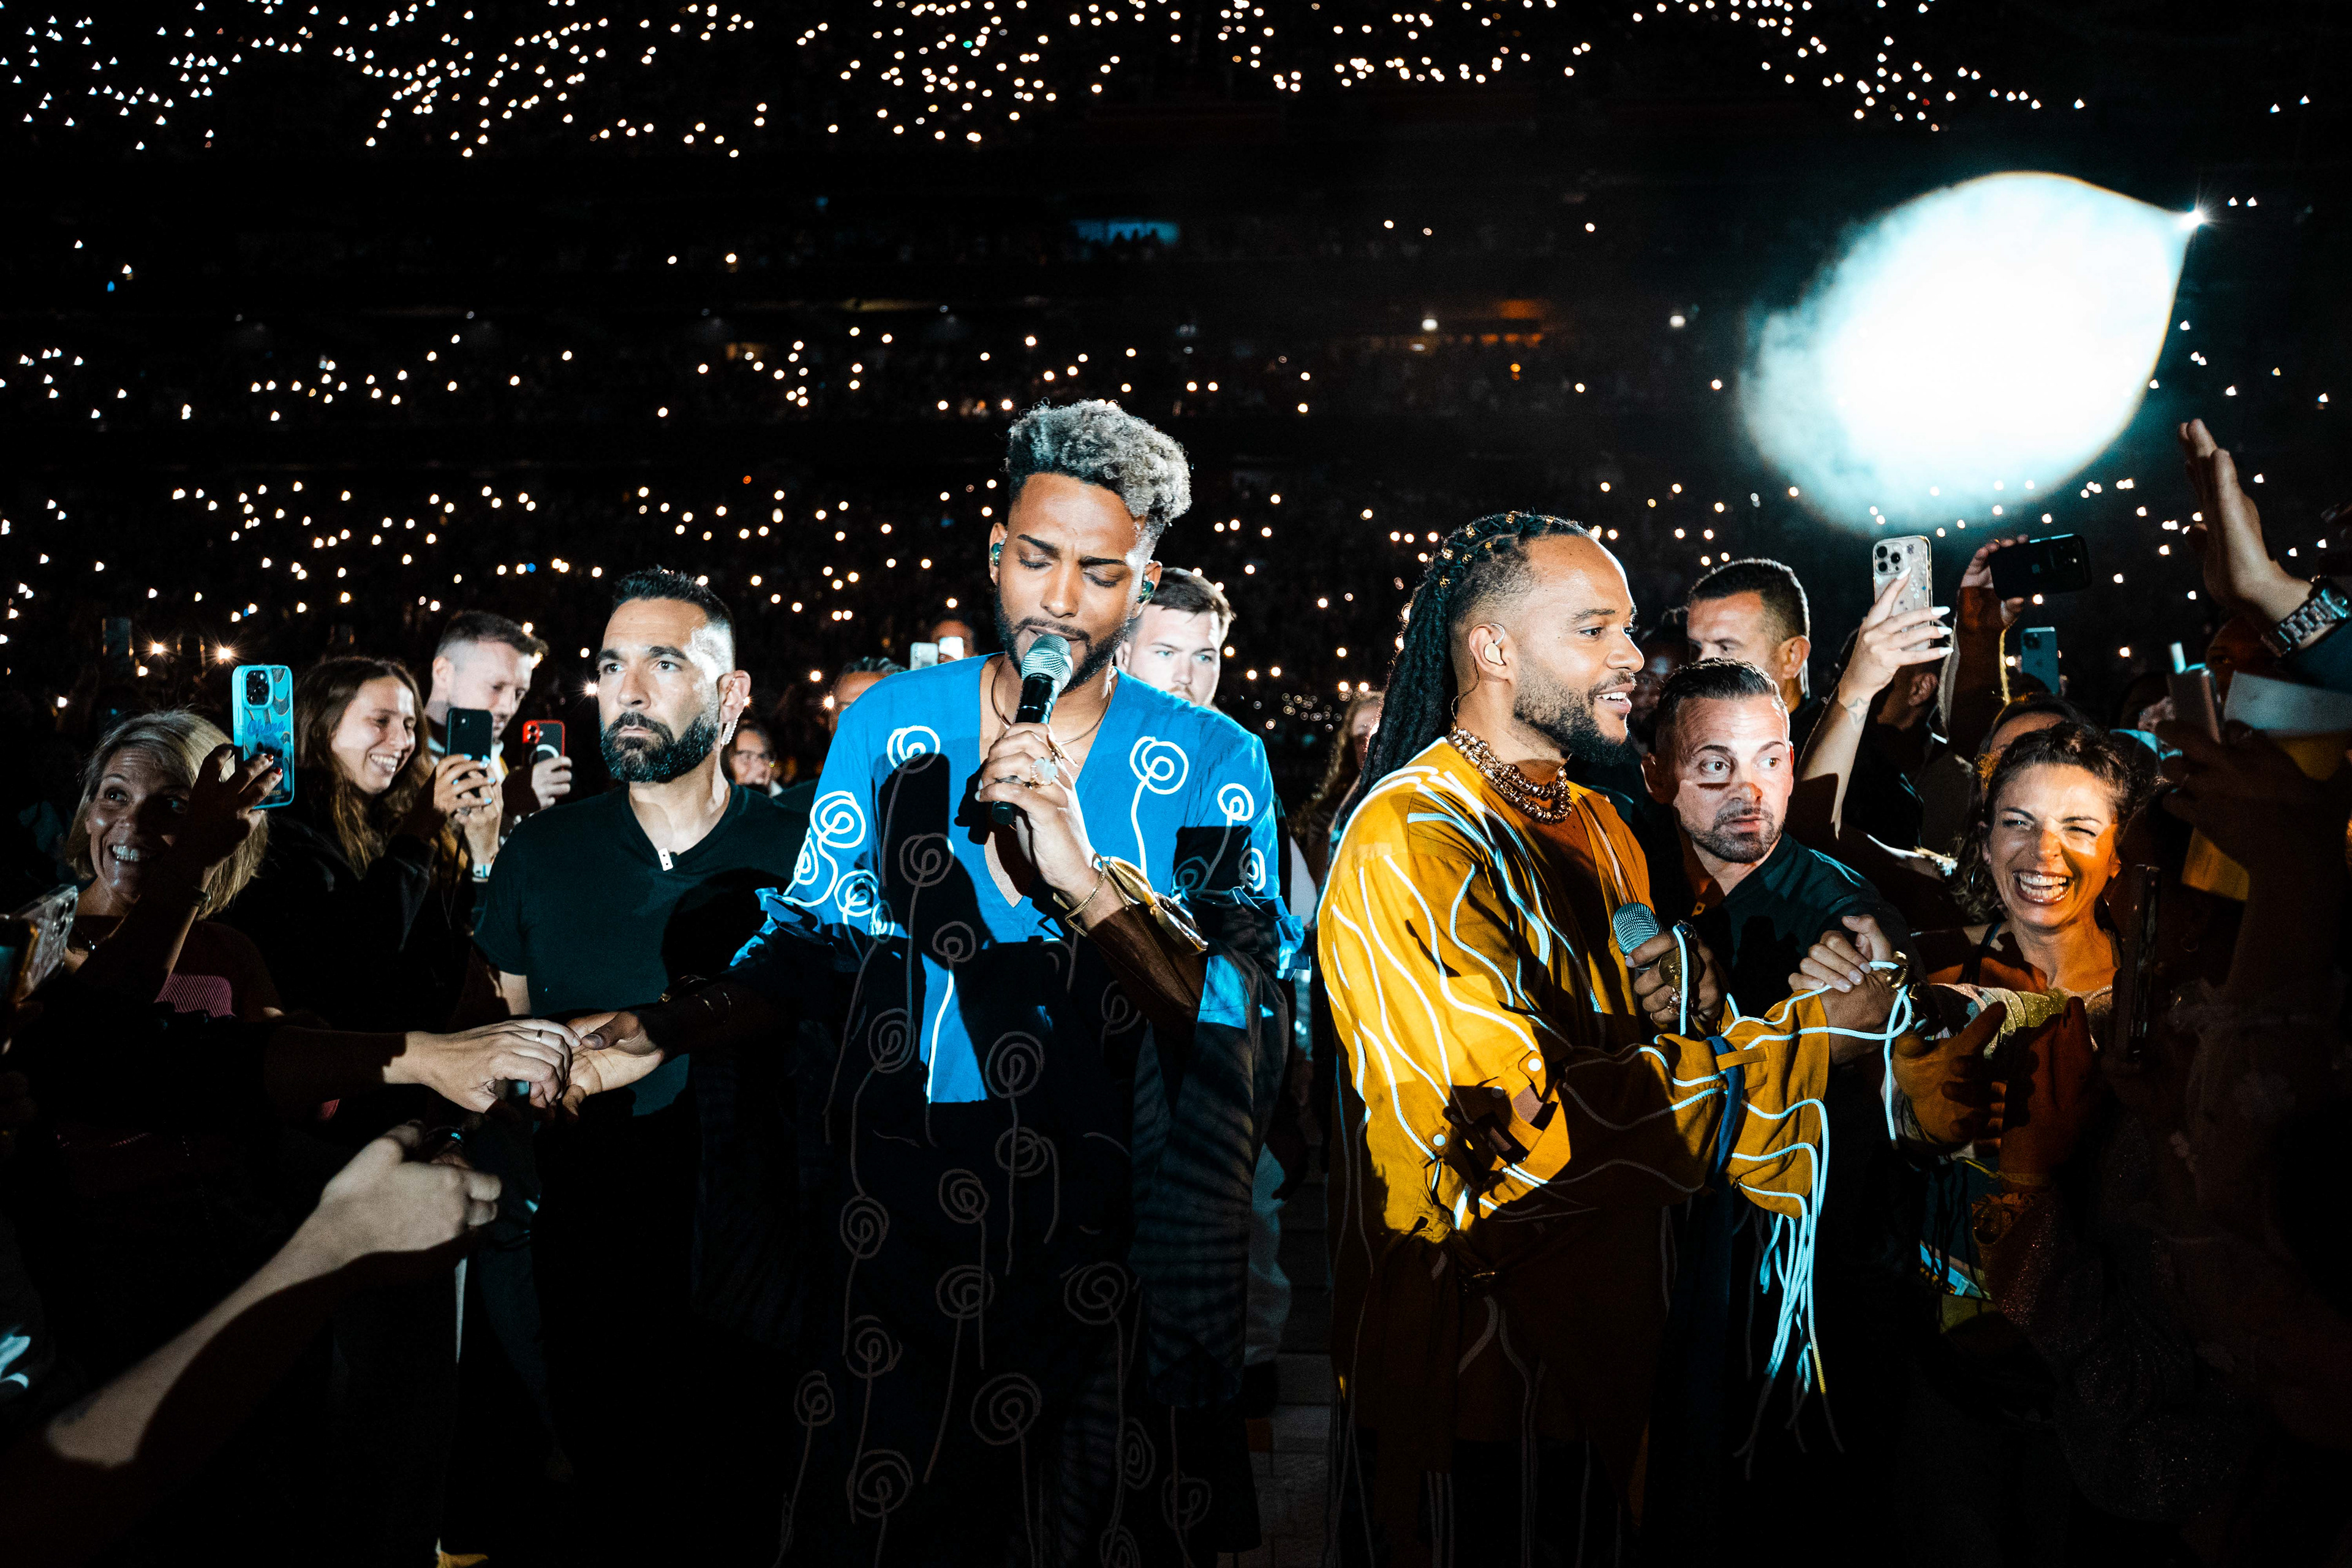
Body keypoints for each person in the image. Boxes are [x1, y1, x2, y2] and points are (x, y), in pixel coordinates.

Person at [564, 400, 1298, 1562]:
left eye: (1101, 572)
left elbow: (1240, 1012)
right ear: (995, 551)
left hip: (1107, 1229)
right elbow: (813, 939)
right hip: (898, 1221)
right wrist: (668, 1024)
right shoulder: (892, 727)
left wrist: (1086, 880)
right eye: (1038, 558)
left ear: (1146, 582)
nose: (1059, 599)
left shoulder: (1217, 761)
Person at [1319, 511, 1924, 1562]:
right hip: (1477, 1382)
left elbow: (1656, 1033)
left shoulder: (1598, 825)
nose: (1636, 657)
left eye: (1632, 628)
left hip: (1616, 1379)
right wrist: (1796, 1049)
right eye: (1596, 629)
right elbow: (1518, 1131)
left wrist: (1698, 990)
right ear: (1495, 648)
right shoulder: (1407, 837)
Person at [471, 567, 805, 1561]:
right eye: (613, 666)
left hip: (758, 1274)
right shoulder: (543, 854)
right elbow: (502, 1046)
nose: (629, 688)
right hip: (589, 1265)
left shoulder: (803, 854)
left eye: (665, 663)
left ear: (733, 693)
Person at [1629, 659, 1916, 1556]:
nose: (1749, 790)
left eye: (1770, 761)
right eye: (1715, 766)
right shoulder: (1630, 879)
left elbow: (1868, 1105)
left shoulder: (1838, 913)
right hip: (1650, 1266)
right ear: (1659, 774)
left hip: (1788, 1286)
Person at [221, 656, 500, 1036]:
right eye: (380, 721)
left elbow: (445, 945)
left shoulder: (395, 817)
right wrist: (418, 832)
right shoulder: (283, 833)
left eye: (409, 725)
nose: (402, 742)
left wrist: (483, 853)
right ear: (323, 725)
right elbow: (359, 958)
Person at [422, 608, 570, 821]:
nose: (508, 708)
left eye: (520, 694)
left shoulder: (496, 762)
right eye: (496, 687)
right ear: (444, 674)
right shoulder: (401, 759)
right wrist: (505, 806)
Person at [1684, 556, 1814, 725]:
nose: (1700, 668)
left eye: (1726, 648)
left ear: (1792, 657)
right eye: (1696, 648)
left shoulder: (1836, 744)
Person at [1293, 686, 1381, 884]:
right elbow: (1318, 882)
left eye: (1379, 727)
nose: (1371, 739)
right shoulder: (1327, 813)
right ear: (1351, 745)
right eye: (1362, 731)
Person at [1115, 562, 1231, 706]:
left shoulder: (1228, 730)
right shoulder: (1087, 726)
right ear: (1124, 657)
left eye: (1204, 658)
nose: (1185, 677)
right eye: (1166, 653)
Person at [723, 715, 784, 795]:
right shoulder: (713, 802)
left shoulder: (785, 802)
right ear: (730, 760)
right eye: (747, 757)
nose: (762, 767)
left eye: (763, 757)